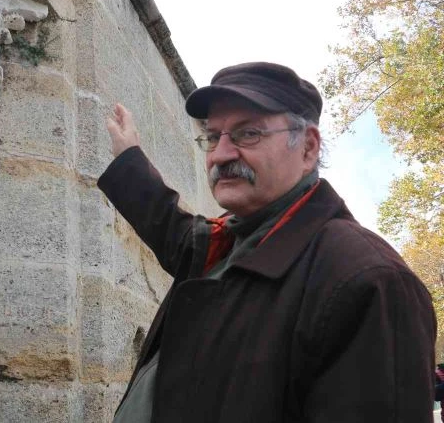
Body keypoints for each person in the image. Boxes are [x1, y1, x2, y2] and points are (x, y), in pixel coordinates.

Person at [99, 62, 436, 422]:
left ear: (307, 148)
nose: (221, 155)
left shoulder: (370, 281)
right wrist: (130, 161)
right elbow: (174, 232)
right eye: (213, 137)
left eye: (248, 135)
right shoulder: (232, 241)